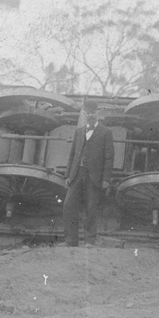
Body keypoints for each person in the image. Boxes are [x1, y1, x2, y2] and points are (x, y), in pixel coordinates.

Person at [62, 100, 114, 246]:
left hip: (94, 175)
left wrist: (106, 179)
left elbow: (109, 157)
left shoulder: (106, 132)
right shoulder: (79, 132)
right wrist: (68, 174)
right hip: (76, 173)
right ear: (84, 114)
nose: (90, 115)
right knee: (68, 205)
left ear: (97, 113)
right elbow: (72, 154)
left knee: (91, 207)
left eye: (92, 112)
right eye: (87, 112)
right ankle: (71, 241)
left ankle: (89, 240)